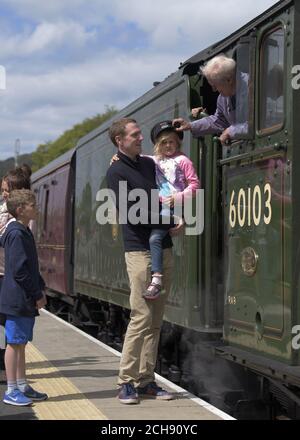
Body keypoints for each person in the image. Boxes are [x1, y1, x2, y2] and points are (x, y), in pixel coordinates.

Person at [106, 118, 183, 404]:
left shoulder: (149, 165)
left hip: (162, 248)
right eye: (135, 134)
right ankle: (125, 381)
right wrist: (170, 220)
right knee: (141, 316)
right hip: (139, 251)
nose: (141, 137)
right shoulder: (116, 172)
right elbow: (132, 213)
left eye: (140, 133)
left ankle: (147, 380)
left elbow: (165, 194)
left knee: (155, 320)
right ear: (120, 141)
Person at [0, 189, 47, 406]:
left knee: (21, 343)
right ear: (20, 210)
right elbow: (20, 271)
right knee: (14, 343)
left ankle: (21, 384)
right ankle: (11, 390)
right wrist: (36, 293)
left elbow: (29, 265)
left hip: (22, 297)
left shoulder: (22, 230)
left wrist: (41, 287)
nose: (36, 208)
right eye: (33, 205)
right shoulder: (17, 233)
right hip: (18, 297)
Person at [143, 120, 200, 300]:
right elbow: (136, 160)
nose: (168, 145)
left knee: (155, 238)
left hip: (172, 204)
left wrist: (178, 198)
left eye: (172, 142)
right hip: (158, 205)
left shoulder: (183, 161)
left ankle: (157, 279)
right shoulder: (154, 161)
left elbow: (195, 185)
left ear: (178, 143)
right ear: (158, 145)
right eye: (164, 142)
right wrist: (117, 158)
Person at [0, 167, 32, 383]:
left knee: (17, 338)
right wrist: (36, 290)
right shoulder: (12, 227)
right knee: (14, 338)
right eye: (3, 191)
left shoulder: (19, 226)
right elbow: (20, 266)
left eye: (6, 190)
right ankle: (13, 386)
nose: (3, 194)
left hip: (9, 278)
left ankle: (19, 383)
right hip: (7, 279)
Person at [173, 54, 248, 144]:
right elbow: (218, 121)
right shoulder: (222, 98)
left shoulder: (255, 86)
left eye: (215, 85)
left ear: (229, 80)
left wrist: (231, 131)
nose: (214, 90)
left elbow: (263, 122)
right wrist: (190, 125)